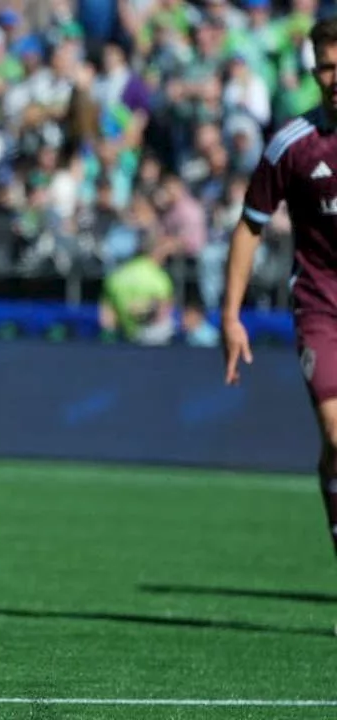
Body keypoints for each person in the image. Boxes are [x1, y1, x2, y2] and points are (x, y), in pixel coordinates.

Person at [224, 17, 337, 561]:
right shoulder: (292, 146)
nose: (336, 77)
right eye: (328, 67)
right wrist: (230, 316)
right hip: (322, 306)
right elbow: (249, 225)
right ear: (316, 71)